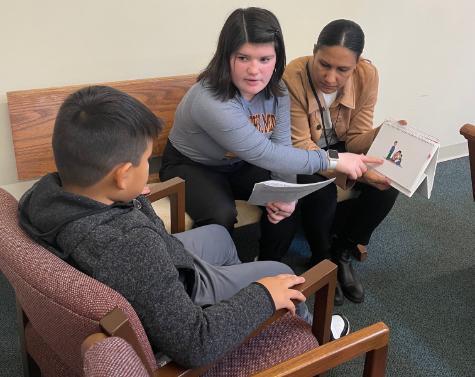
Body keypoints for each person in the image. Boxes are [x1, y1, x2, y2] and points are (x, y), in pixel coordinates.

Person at [18, 85, 349, 369]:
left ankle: (236, 304)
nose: (148, 166)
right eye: (145, 161)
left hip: (153, 266)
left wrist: (126, 198)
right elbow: (195, 343)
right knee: (281, 274)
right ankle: (309, 333)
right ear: (120, 176)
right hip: (181, 300)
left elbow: (127, 238)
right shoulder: (127, 245)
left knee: (220, 236)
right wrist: (263, 295)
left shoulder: (44, 198)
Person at [159, 7, 380, 262]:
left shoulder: (278, 91)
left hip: (239, 163)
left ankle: (266, 269)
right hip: (192, 166)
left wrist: (285, 194)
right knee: (221, 214)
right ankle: (213, 280)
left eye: (264, 59)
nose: (255, 70)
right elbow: (266, 154)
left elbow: (282, 146)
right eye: (243, 58)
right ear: (226, 56)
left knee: (294, 192)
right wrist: (335, 160)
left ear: (277, 58)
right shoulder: (210, 99)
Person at [283, 19, 402, 305]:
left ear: (357, 64)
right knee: (320, 187)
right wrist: (352, 171)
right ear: (314, 51)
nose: (330, 77)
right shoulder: (293, 76)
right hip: (304, 153)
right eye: (323, 64)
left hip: (342, 148)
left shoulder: (367, 75)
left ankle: (343, 248)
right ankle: (321, 257)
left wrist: (383, 133)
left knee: (389, 182)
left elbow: (357, 138)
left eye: (342, 70)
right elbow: (301, 144)